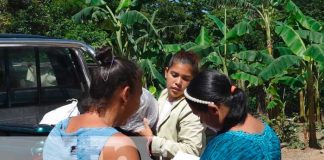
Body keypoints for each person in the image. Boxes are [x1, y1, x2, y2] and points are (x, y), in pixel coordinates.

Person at [43, 47, 142, 160]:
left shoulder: (60, 129)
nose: (139, 104)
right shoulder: (120, 147)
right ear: (126, 94)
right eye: (139, 95)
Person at [184, 69, 281, 160]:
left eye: (199, 115)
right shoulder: (268, 132)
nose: (201, 121)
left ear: (213, 110)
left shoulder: (222, 148)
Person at [139, 50, 205, 160]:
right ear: (166, 72)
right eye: (174, 75)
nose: (178, 82)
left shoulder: (191, 108)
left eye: (185, 79)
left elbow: (192, 151)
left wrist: (152, 141)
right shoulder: (164, 94)